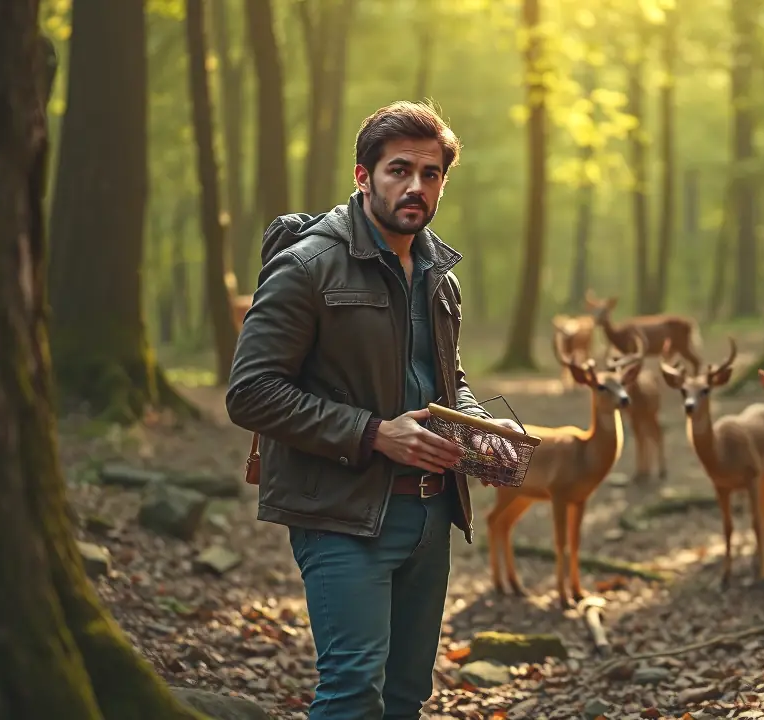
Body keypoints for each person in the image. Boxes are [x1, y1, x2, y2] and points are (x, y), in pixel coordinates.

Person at [225, 100, 518, 720]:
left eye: (431, 173)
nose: (416, 186)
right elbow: (250, 390)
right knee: (354, 695)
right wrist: (376, 434)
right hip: (340, 514)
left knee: (407, 698)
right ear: (363, 176)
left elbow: (447, 380)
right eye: (399, 170)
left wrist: (485, 430)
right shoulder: (308, 264)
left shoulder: (441, 273)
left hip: (431, 515)